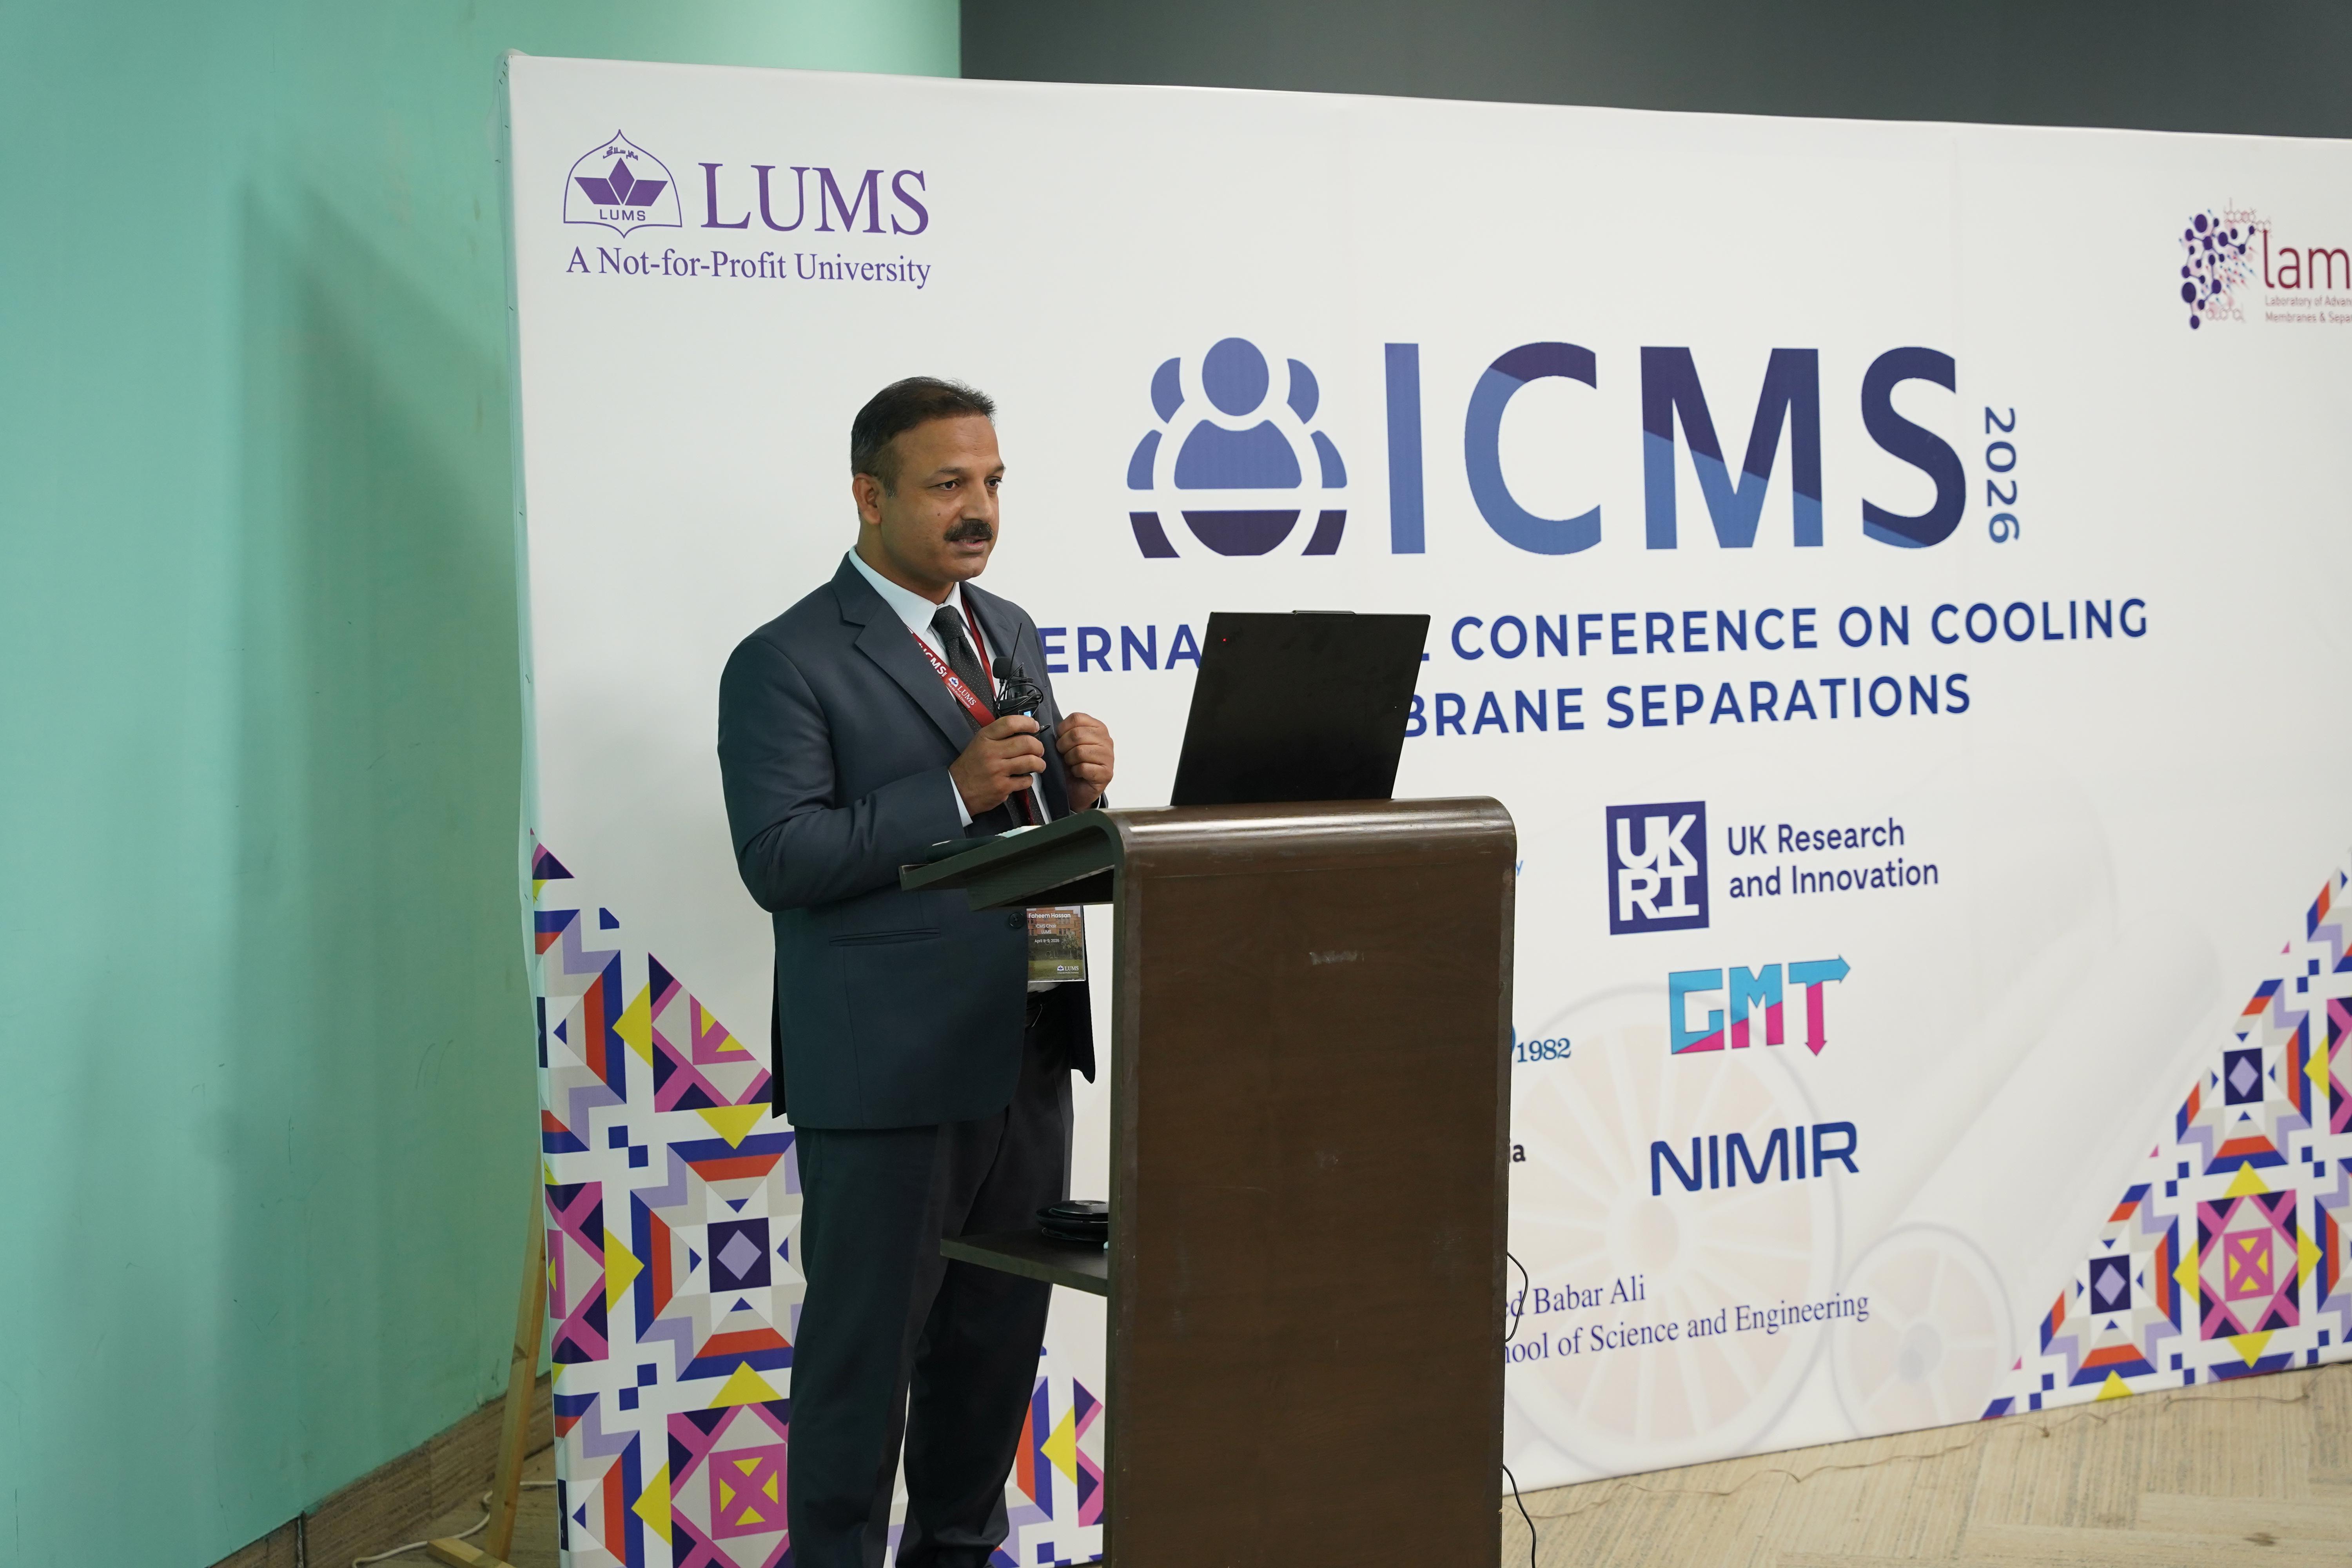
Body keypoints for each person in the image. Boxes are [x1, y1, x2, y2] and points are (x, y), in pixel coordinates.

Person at [716, 377, 1114, 1567]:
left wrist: (1081, 791)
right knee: (862, 1373)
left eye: (991, 481)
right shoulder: (783, 661)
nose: (977, 508)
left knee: (991, 1363)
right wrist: (947, 790)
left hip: (1029, 1048)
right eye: (947, 484)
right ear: (869, 495)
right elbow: (780, 859)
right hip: (888, 1074)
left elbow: (1029, 834)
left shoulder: (1008, 629)